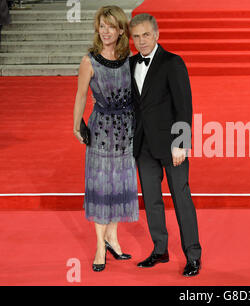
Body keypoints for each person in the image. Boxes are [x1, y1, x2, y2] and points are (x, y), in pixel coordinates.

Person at [129, 13, 202, 277]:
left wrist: (181, 143)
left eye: (146, 35)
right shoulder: (130, 64)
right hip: (143, 146)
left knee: (181, 198)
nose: (141, 41)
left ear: (157, 34)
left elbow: (184, 105)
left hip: (172, 146)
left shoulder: (173, 62)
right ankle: (160, 249)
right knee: (151, 200)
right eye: (136, 36)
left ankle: (193, 256)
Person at [72, 6, 138, 272]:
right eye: (102, 26)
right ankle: (100, 245)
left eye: (111, 26)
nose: (106, 31)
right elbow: (80, 95)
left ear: (121, 30)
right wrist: (77, 125)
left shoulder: (129, 58)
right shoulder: (89, 61)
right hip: (100, 130)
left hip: (127, 129)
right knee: (100, 185)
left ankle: (113, 237)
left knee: (120, 182)